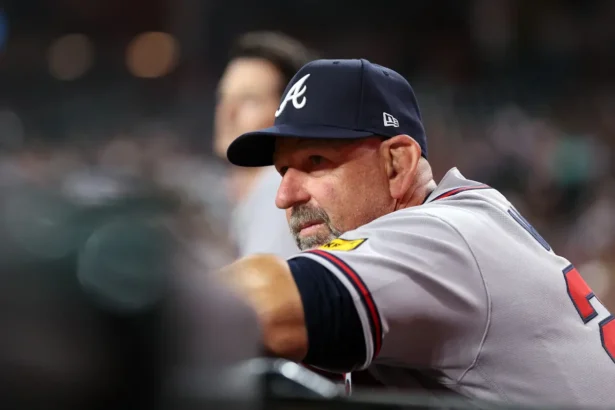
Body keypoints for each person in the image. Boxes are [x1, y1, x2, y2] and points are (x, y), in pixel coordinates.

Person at [219, 58, 615, 407]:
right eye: (283, 171)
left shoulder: (442, 235)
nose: (285, 196)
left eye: (316, 161)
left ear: (397, 164)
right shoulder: (465, 222)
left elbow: (271, 306)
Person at [214, 31, 316, 258]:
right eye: (224, 97)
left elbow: (258, 293)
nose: (228, 113)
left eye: (249, 100)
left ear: (289, 113)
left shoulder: (279, 191)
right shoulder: (250, 192)